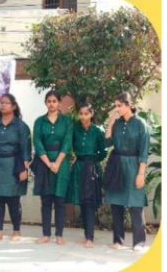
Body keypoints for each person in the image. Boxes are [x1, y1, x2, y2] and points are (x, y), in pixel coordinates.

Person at [0, 93, 32, 242]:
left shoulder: (21, 126)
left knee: (13, 200)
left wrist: (24, 169)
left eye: (7, 103)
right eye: (1, 103)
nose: (3, 105)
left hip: (13, 166)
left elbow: (26, 150)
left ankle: (16, 230)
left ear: (14, 106)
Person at [103, 92, 150, 251]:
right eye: (115, 105)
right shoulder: (116, 123)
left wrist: (141, 174)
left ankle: (139, 242)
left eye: (119, 105)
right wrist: (110, 121)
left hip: (134, 166)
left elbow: (144, 151)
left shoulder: (140, 123)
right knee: (116, 204)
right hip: (116, 164)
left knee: (135, 204)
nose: (117, 109)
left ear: (129, 104)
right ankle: (118, 240)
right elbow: (107, 142)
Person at [32, 91, 73, 246]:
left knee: (60, 201)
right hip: (44, 163)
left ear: (59, 103)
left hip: (61, 163)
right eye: (49, 101)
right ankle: (46, 234)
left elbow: (67, 142)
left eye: (54, 101)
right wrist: (49, 163)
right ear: (46, 103)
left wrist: (57, 163)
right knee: (46, 200)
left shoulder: (67, 121)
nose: (51, 104)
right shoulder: (39, 121)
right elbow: (37, 142)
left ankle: (59, 235)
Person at [66, 102, 107, 249]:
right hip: (78, 167)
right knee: (82, 201)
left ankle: (90, 237)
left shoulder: (98, 131)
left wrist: (92, 161)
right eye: (81, 113)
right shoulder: (75, 129)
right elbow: (69, 146)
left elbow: (103, 152)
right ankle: (86, 235)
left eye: (86, 113)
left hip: (91, 167)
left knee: (89, 202)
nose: (83, 116)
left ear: (91, 114)